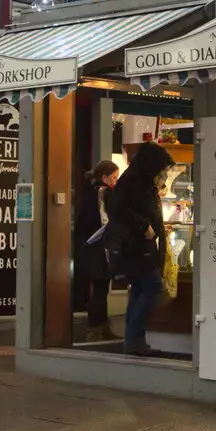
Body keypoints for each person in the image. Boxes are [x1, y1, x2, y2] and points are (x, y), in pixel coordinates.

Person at [106, 143, 175, 356]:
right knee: (153, 288)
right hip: (137, 246)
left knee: (139, 289)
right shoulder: (136, 181)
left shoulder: (137, 179)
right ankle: (134, 337)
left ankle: (133, 340)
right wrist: (143, 226)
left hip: (137, 246)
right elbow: (119, 209)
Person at [72, 160, 120, 342]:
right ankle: (96, 327)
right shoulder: (105, 194)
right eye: (114, 177)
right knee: (100, 289)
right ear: (105, 177)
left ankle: (99, 327)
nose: (116, 181)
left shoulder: (89, 193)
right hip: (100, 248)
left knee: (99, 288)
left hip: (88, 247)